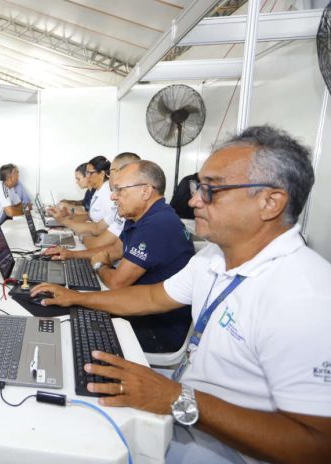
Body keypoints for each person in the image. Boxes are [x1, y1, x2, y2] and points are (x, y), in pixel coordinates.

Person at [31, 126, 331, 463]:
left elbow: (318, 446)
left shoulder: (305, 298)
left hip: (227, 448)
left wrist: (177, 398)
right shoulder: (214, 257)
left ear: (270, 202)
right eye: (196, 187)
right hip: (192, 412)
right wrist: (75, 298)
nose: (192, 201)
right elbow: (150, 298)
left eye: (211, 190)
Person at [89, 160, 194, 352]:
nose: (113, 196)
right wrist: (101, 261)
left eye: (120, 190)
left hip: (158, 328)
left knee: (78, 325)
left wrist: (99, 267)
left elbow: (117, 283)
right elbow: (113, 252)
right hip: (141, 310)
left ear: (146, 191)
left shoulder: (158, 224)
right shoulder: (138, 215)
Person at [45, 152, 141, 260]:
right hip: (99, 250)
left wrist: (82, 235)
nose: (113, 197)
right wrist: (67, 219)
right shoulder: (101, 192)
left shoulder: (110, 197)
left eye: (90, 173)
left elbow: (99, 236)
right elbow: (95, 224)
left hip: (103, 254)